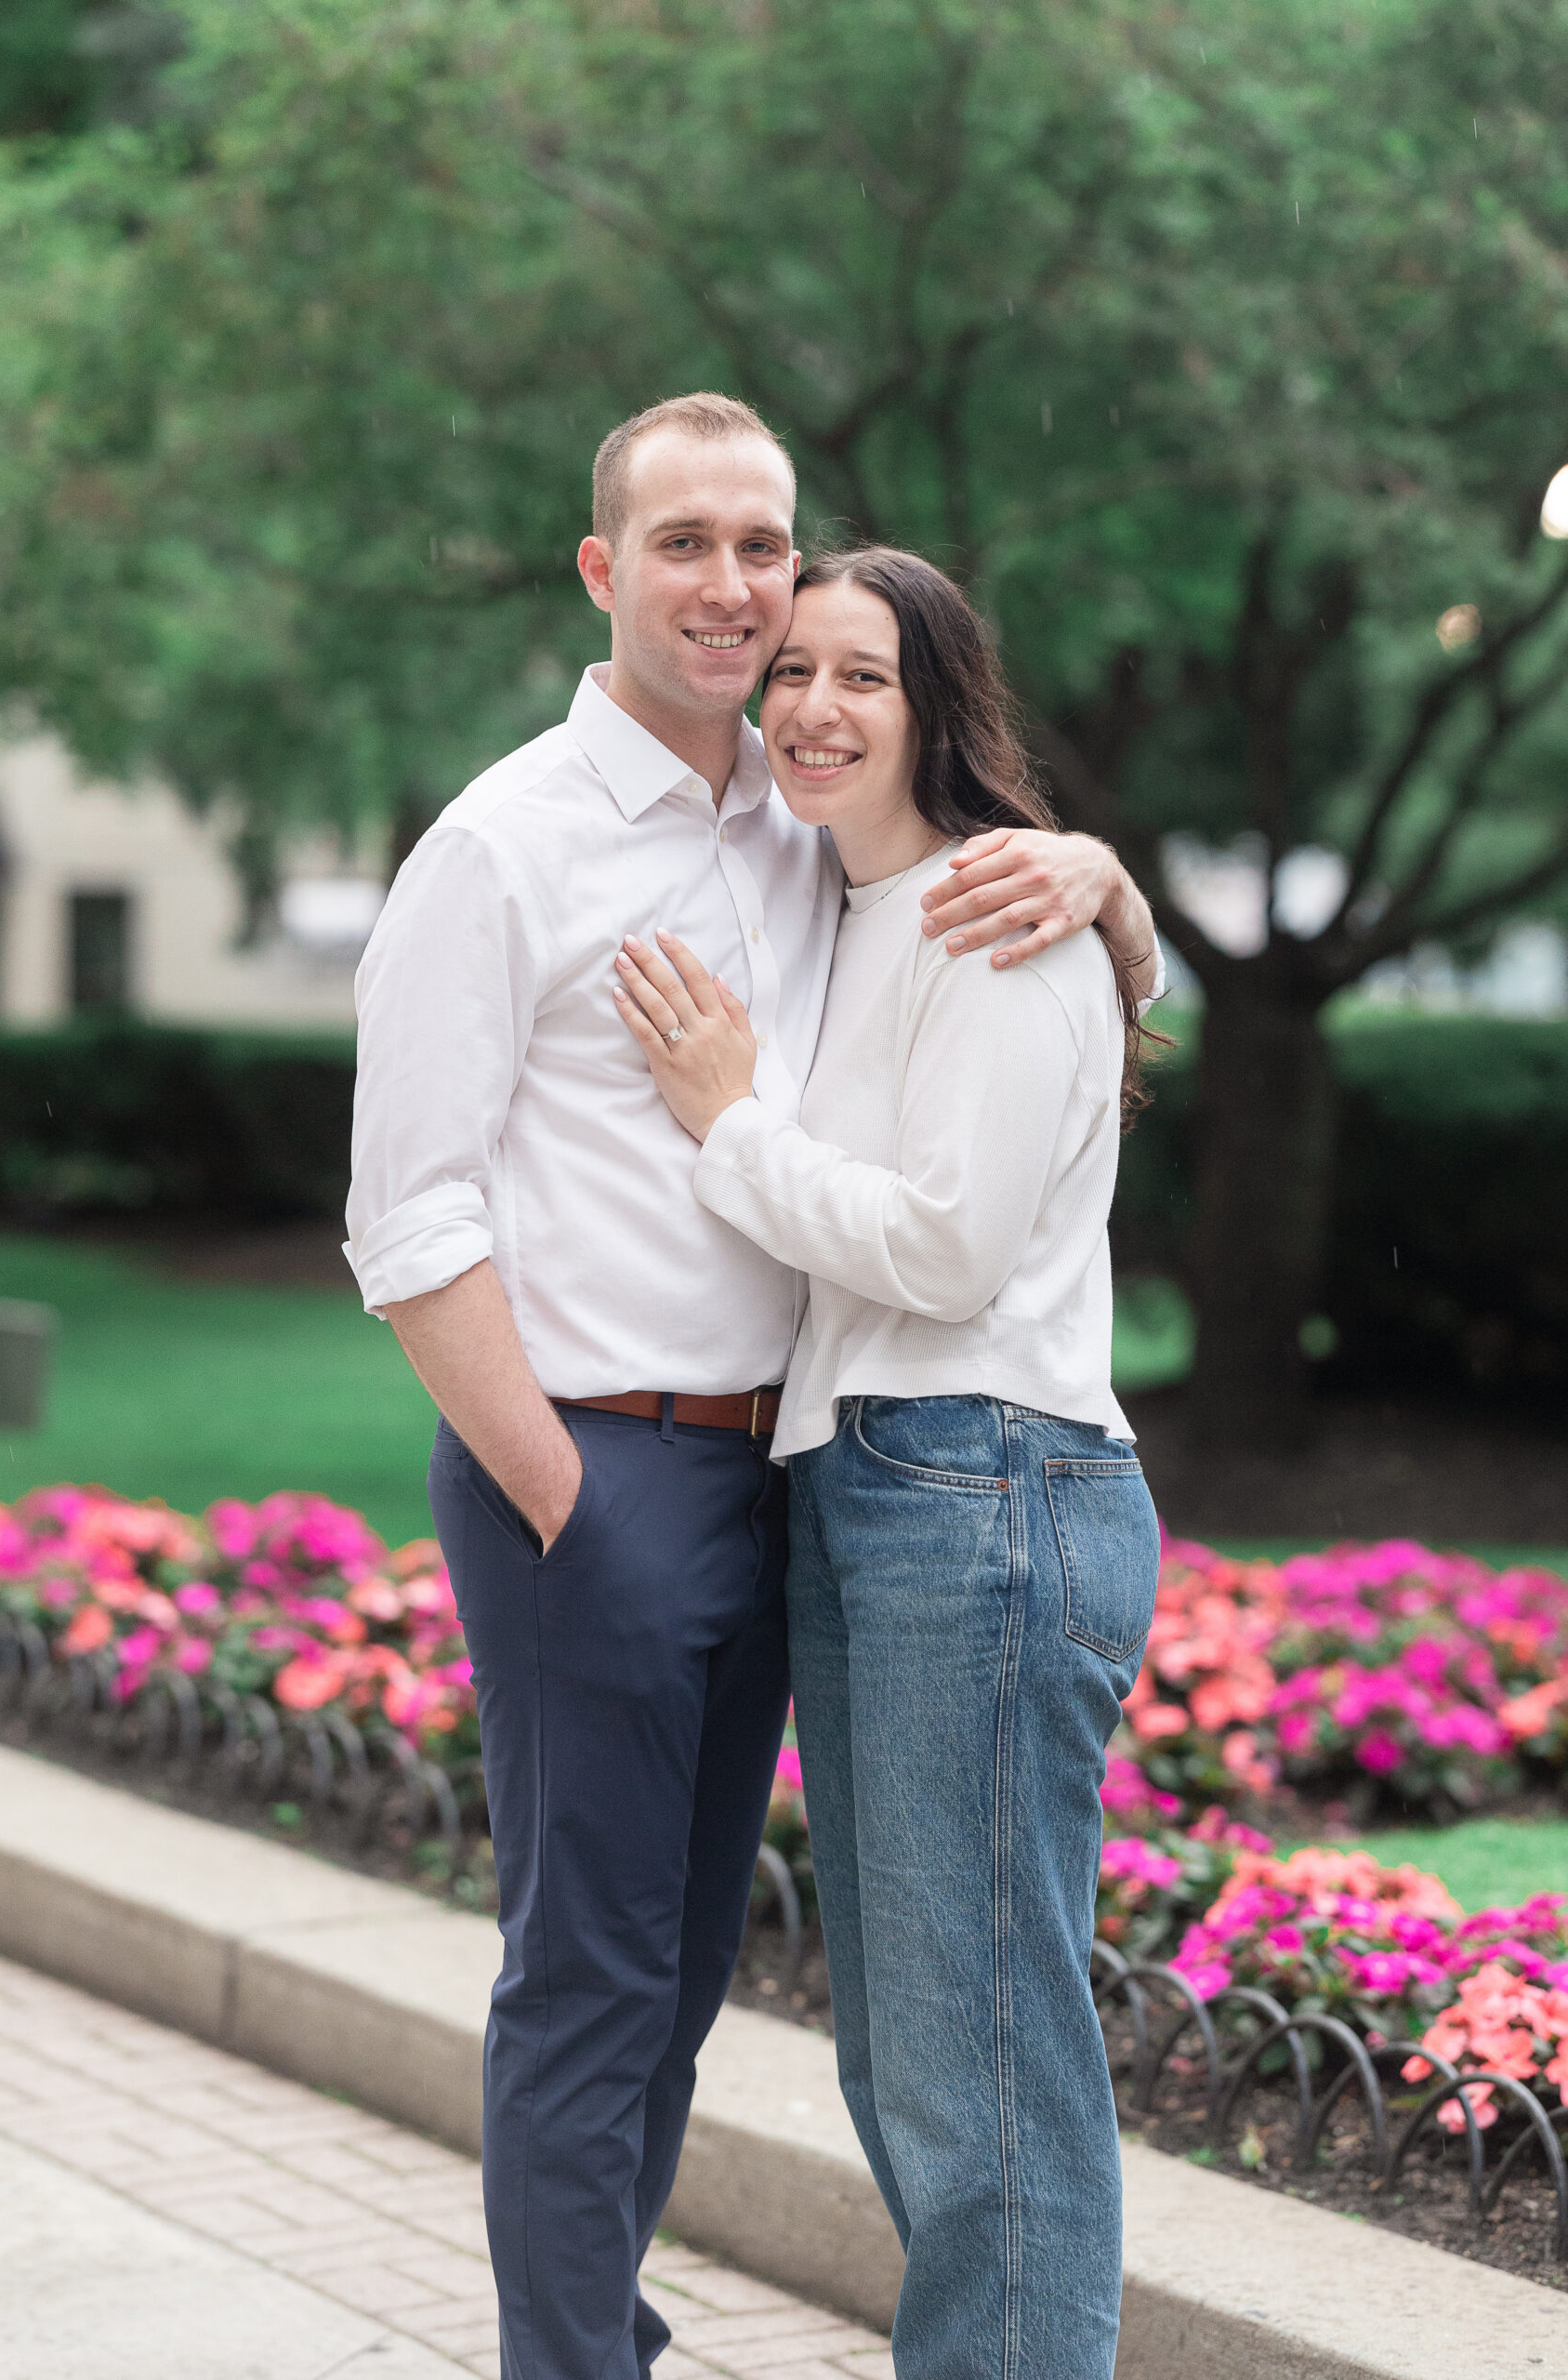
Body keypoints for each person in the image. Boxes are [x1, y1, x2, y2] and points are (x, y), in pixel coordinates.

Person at [345, 396, 1161, 2380]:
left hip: (803, 1475)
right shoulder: (504, 845)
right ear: (600, 568)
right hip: (596, 1473)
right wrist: (557, 1490)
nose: (736, 593)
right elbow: (407, 1221)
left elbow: (1007, 993)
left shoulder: (802, 827)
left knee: (705, 1978)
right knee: (596, 1982)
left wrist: (1109, 893)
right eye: (687, 544)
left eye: (764, 551)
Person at [613, 545, 1162, 2380]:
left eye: (864, 675)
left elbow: (942, 1249)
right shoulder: (854, 906)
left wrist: (730, 1123)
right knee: (911, 2049)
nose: (814, 709)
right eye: (791, 674)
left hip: (985, 1484)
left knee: (977, 2052)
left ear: (937, 701)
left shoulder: (987, 919)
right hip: (879, 1486)